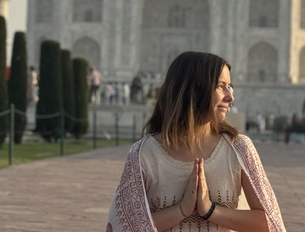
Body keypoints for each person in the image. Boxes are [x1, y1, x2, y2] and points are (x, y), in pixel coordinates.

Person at [107, 51, 285, 232]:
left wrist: (210, 210)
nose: (230, 96)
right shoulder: (145, 154)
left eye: (229, 86)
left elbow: (269, 223)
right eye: (221, 86)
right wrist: (181, 210)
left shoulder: (238, 149)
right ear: (192, 90)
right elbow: (125, 228)